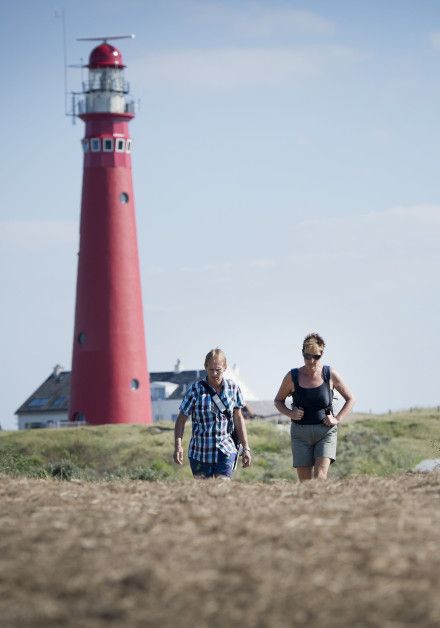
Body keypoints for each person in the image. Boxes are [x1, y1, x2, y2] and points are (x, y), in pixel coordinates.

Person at [274, 332, 355, 482]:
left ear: (322, 354)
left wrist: (337, 419)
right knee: (305, 483)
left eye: (316, 357)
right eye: (307, 356)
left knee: (319, 478)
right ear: (302, 353)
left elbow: (350, 399)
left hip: (325, 432)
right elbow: (278, 401)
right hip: (300, 434)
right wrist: (291, 413)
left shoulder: (329, 374)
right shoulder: (292, 376)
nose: (311, 361)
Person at [173, 348, 252, 479]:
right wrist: (178, 446)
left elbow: (238, 418)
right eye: (211, 369)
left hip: (226, 449)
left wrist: (246, 448)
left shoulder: (233, 388)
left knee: (222, 488)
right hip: (200, 451)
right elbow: (181, 419)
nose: (214, 373)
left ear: (225, 368)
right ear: (205, 367)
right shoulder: (195, 389)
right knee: (204, 493)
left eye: (218, 369)